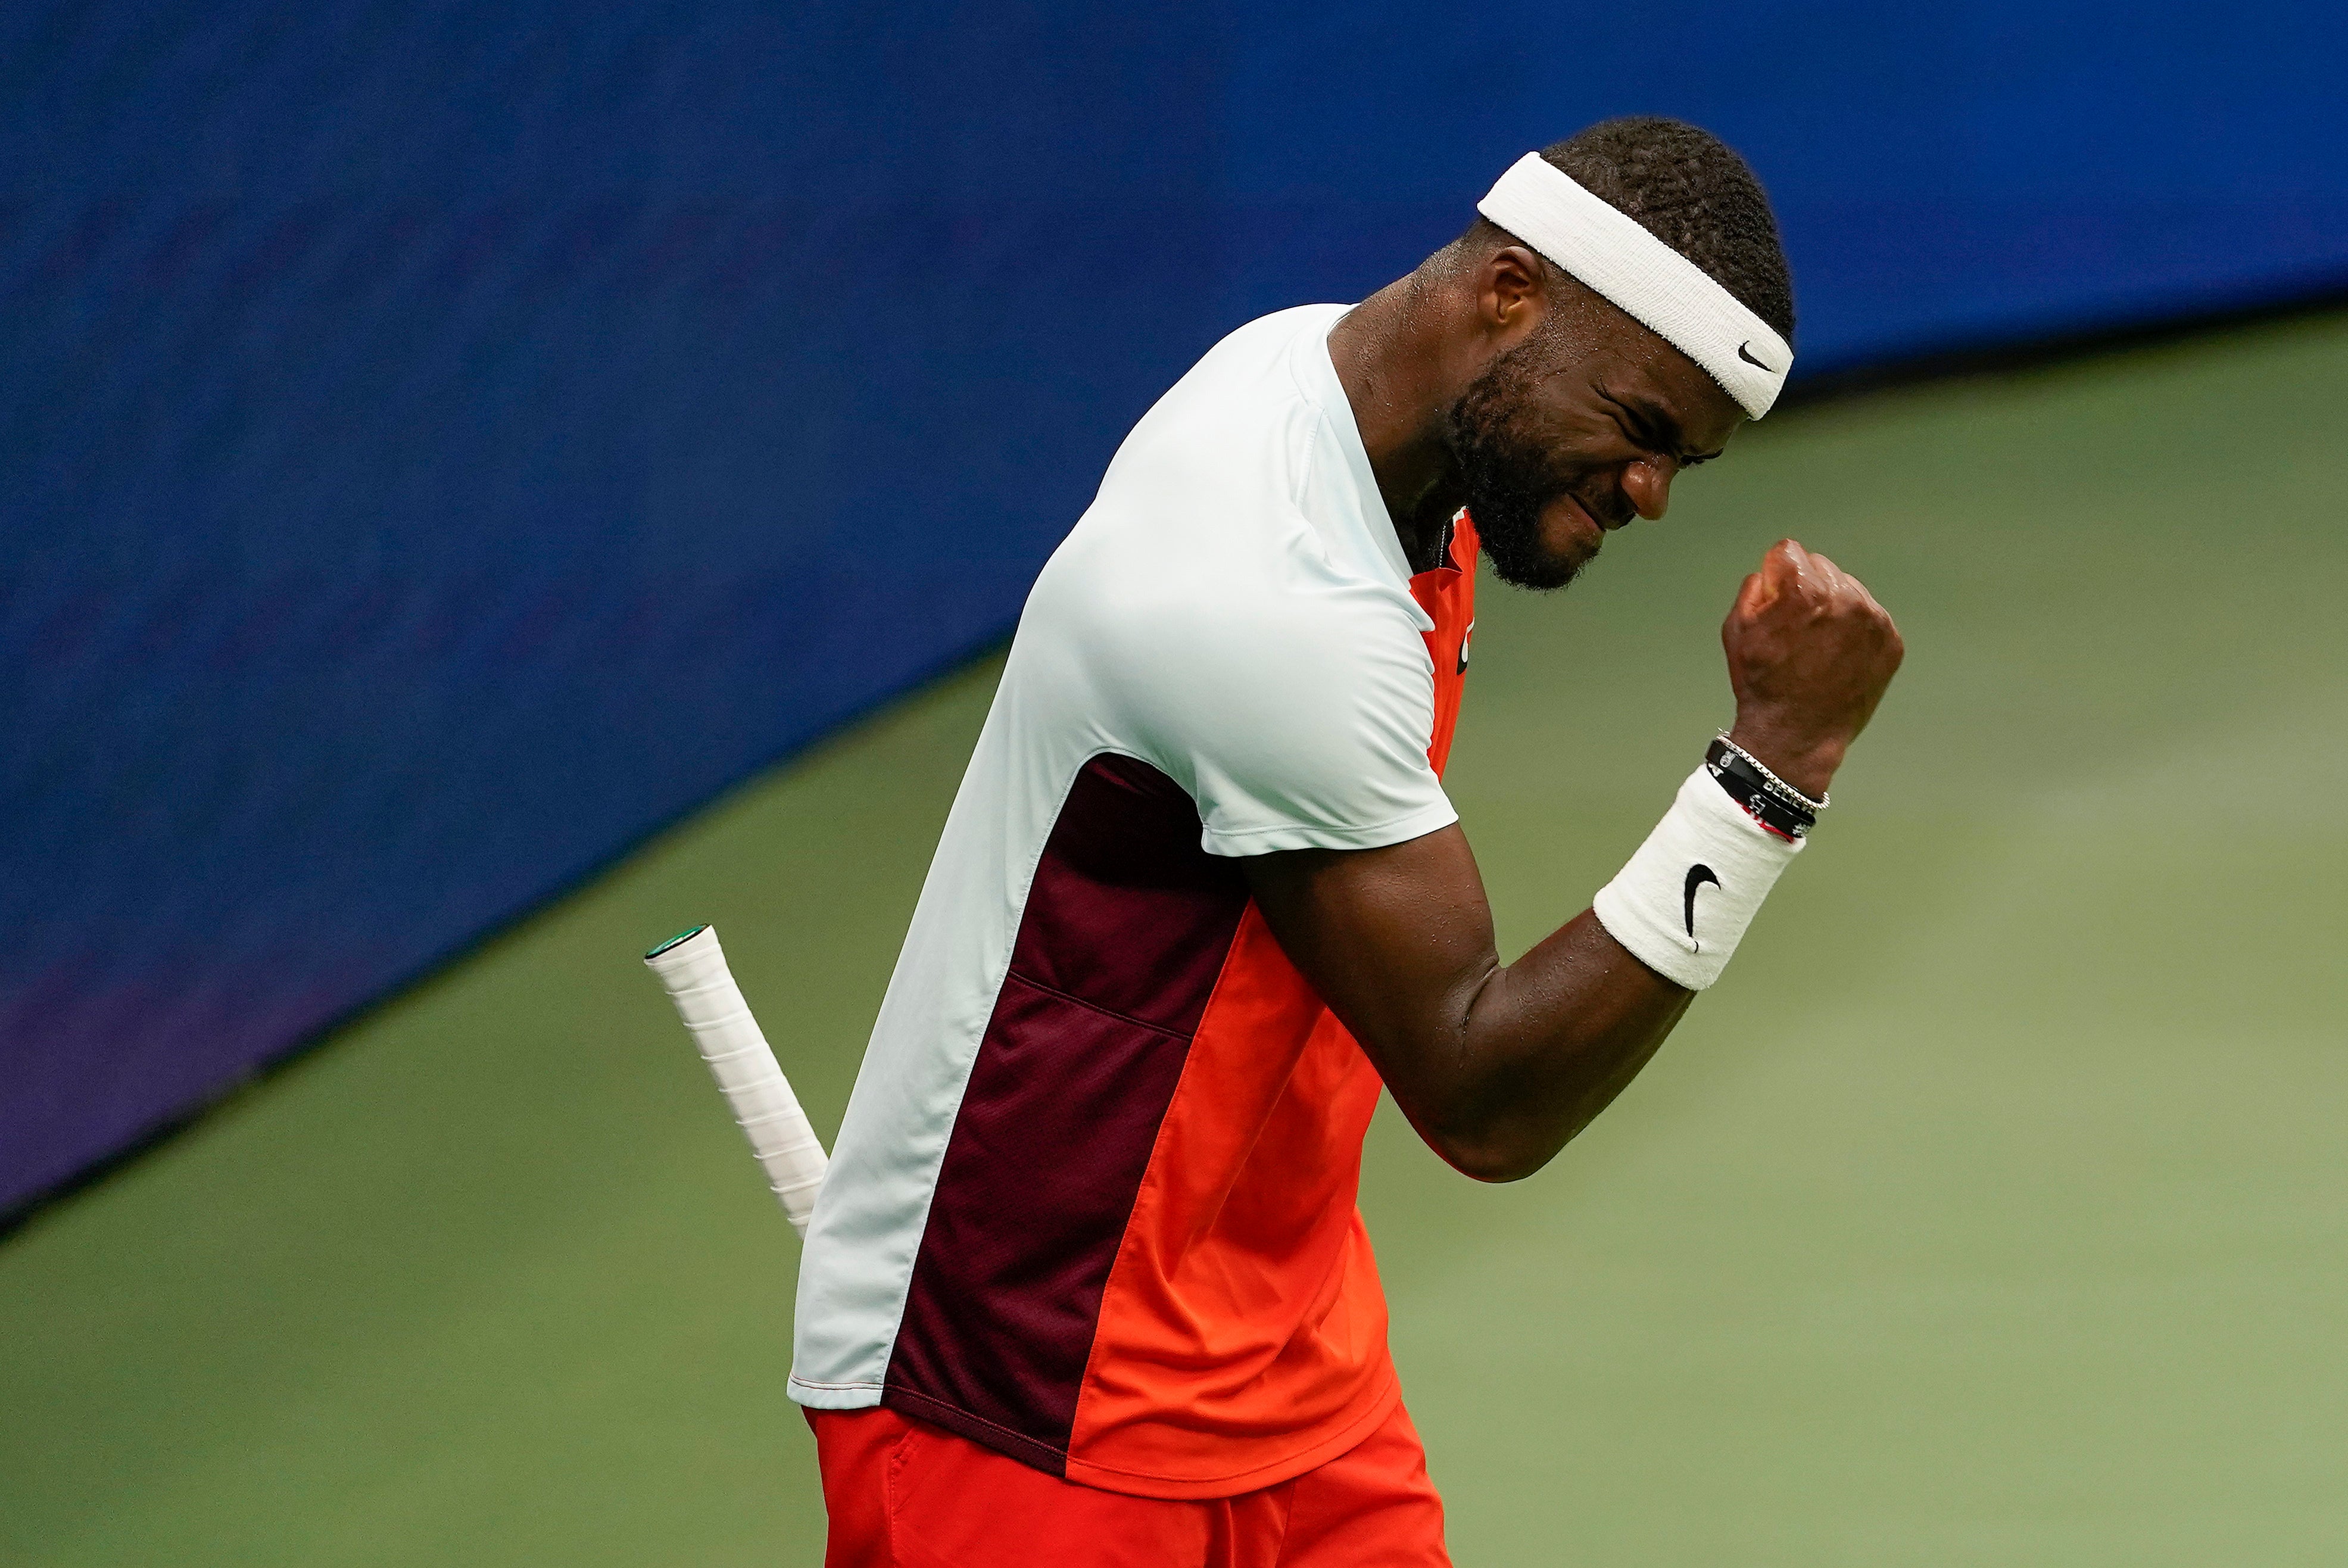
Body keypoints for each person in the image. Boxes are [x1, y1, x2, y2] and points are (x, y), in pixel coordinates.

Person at [790, 116, 1903, 1566]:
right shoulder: (1265, 597)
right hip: (1028, 1400)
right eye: (1640, 433)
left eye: (1681, 460)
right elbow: (1483, 1097)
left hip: (1284, 1350)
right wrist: (1771, 771)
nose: (1651, 496)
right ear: (1511, 291)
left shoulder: (1363, 409)